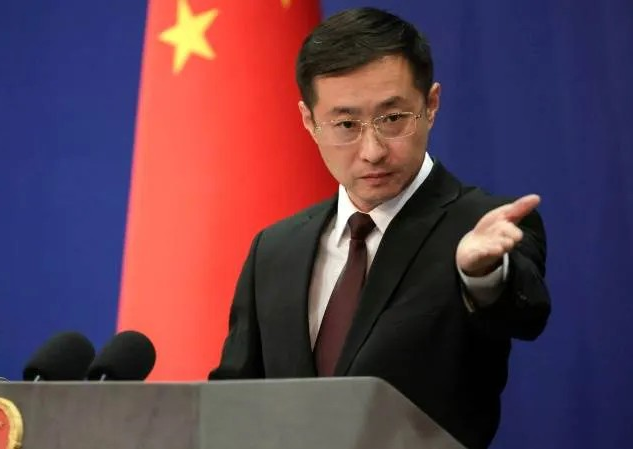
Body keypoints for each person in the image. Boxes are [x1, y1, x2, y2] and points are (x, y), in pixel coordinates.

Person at [209, 7, 550, 449]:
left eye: (392, 119)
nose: (372, 151)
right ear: (310, 122)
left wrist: (481, 276)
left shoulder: (484, 227)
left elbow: (525, 315)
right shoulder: (275, 249)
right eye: (346, 124)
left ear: (430, 105)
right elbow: (234, 398)